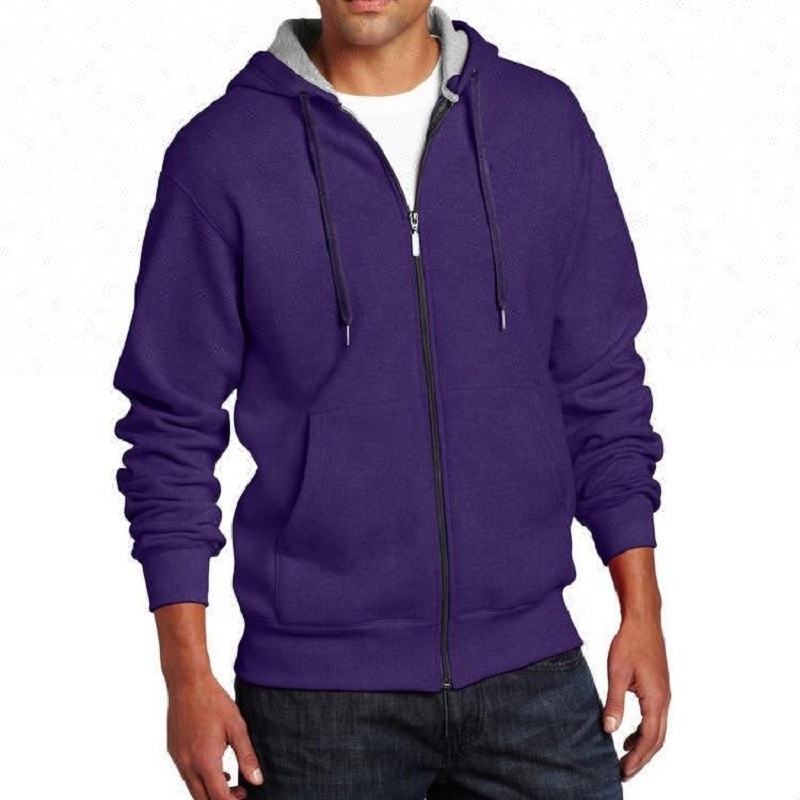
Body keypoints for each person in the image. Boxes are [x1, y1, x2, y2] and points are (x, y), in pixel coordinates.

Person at [113, 2, 670, 797]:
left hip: (533, 674)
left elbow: (600, 382)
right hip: (317, 705)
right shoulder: (223, 155)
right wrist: (185, 676)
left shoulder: (542, 124)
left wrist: (641, 611)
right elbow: (170, 425)